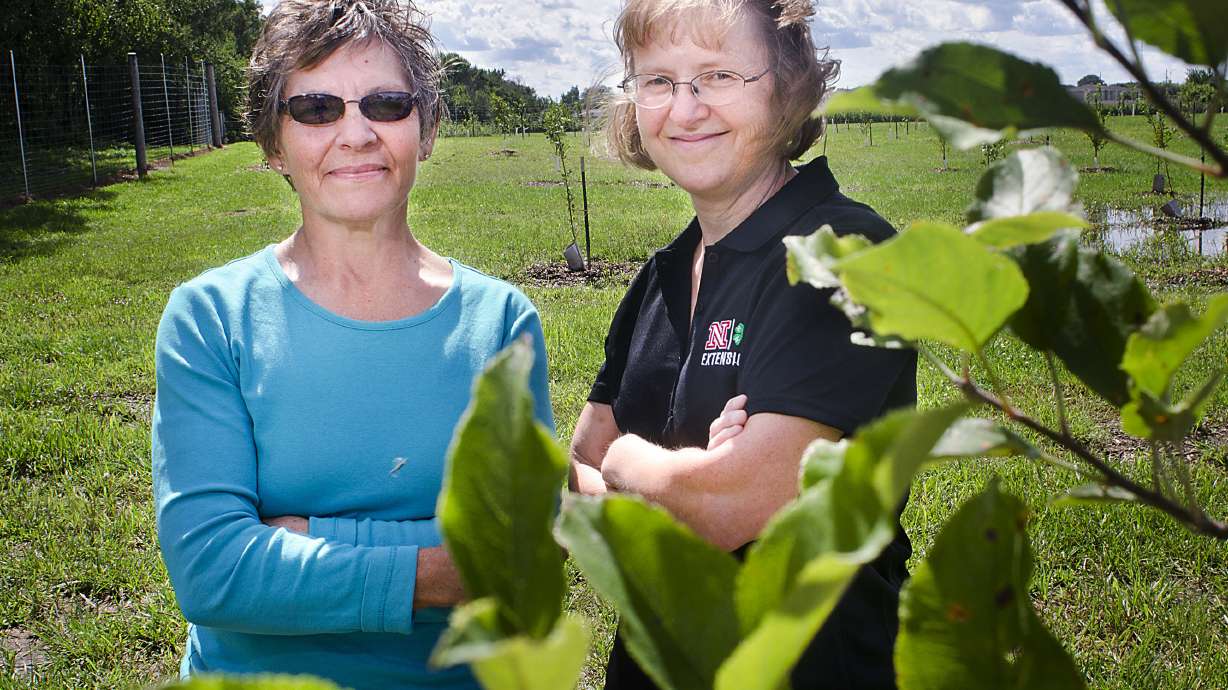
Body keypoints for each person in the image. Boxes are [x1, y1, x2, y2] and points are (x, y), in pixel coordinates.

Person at [150, 1, 552, 688]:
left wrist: (300, 539)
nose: (357, 132)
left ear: (423, 131)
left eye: (387, 104)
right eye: (316, 109)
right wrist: (436, 568)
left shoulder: (500, 325)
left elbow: (523, 559)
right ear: (273, 142)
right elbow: (214, 572)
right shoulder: (210, 318)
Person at [568, 0, 916, 688]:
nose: (685, 108)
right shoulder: (663, 272)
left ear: (788, 87)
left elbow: (727, 506)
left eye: (719, 75)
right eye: (658, 81)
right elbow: (573, 468)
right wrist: (680, 480)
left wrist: (634, 461)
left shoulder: (841, 255)